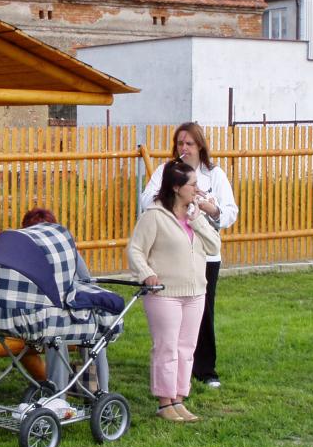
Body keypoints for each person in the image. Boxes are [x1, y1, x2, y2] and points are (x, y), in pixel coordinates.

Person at [139, 122, 238, 388]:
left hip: (204, 255)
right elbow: (146, 201)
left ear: (200, 146)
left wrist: (210, 208)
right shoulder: (166, 171)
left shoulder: (214, 175)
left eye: (189, 143)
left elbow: (230, 213)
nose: (184, 148)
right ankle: (173, 368)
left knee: (202, 310)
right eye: (180, 143)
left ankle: (205, 369)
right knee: (172, 312)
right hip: (172, 254)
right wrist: (173, 198)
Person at [128, 160, 221, 422]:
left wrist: (198, 219)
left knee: (186, 348)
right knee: (166, 347)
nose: (198, 189)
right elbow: (135, 249)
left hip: (195, 292)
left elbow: (214, 247)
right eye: (193, 184)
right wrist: (146, 274)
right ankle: (164, 403)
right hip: (164, 294)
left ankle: (179, 398)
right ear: (177, 188)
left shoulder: (195, 215)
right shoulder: (154, 216)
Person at [20, 207, 109, 393]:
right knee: (71, 335)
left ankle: (90, 392)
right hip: (46, 318)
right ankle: (84, 393)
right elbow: (87, 281)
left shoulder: (23, 253)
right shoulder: (64, 249)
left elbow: (85, 280)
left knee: (86, 335)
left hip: (56, 314)